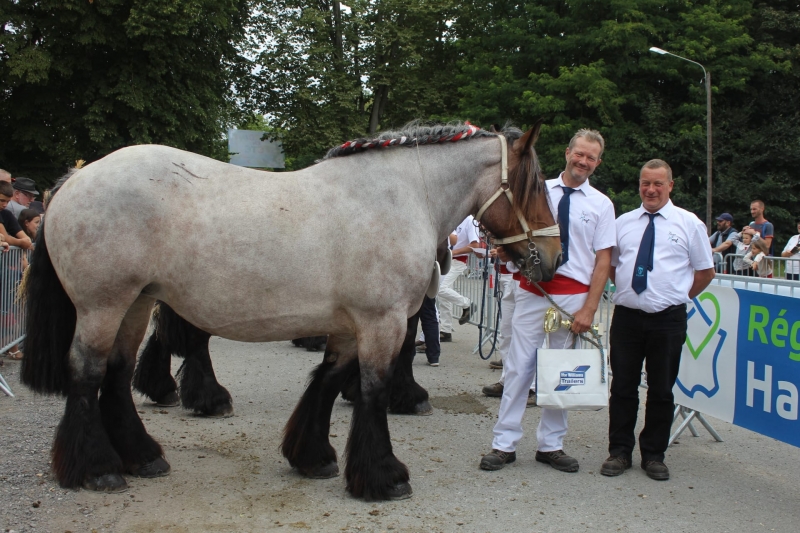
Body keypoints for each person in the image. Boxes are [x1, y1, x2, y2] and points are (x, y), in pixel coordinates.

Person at [480, 128, 615, 472]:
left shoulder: (602, 204)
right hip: (534, 290)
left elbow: (603, 261)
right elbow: (518, 234)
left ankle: (551, 445)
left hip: (573, 297)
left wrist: (590, 307)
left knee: (562, 372)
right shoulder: (538, 190)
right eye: (579, 154)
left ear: (598, 163)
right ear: (568, 153)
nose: (583, 161)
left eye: (591, 157)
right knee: (518, 368)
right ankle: (504, 443)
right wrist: (508, 254)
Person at [601, 159, 714, 481]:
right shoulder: (623, 222)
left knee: (662, 389)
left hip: (668, 320)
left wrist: (677, 296)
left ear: (670, 186)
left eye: (658, 184)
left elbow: (705, 272)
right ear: (639, 185)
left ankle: (653, 454)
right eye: (645, 183)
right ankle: (619, 452)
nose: (651, 190)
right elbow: (612, 265)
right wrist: (628, 288)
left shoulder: (689, 224)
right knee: (622, 387)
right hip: (627, 319)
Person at [481, 249, 537, 407]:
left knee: (529, 336)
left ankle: (532, 387)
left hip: (532, 278)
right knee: (506, 333)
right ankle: (507, 381)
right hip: (515, 279)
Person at [437, 216, 478, 342]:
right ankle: (446, 330)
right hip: (447, 259)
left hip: (457, 260)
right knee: (443, 296)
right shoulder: (453, 216)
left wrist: (453, 252)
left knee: (439, 288)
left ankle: (467, 304)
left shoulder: (470, 221)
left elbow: (475, 245)